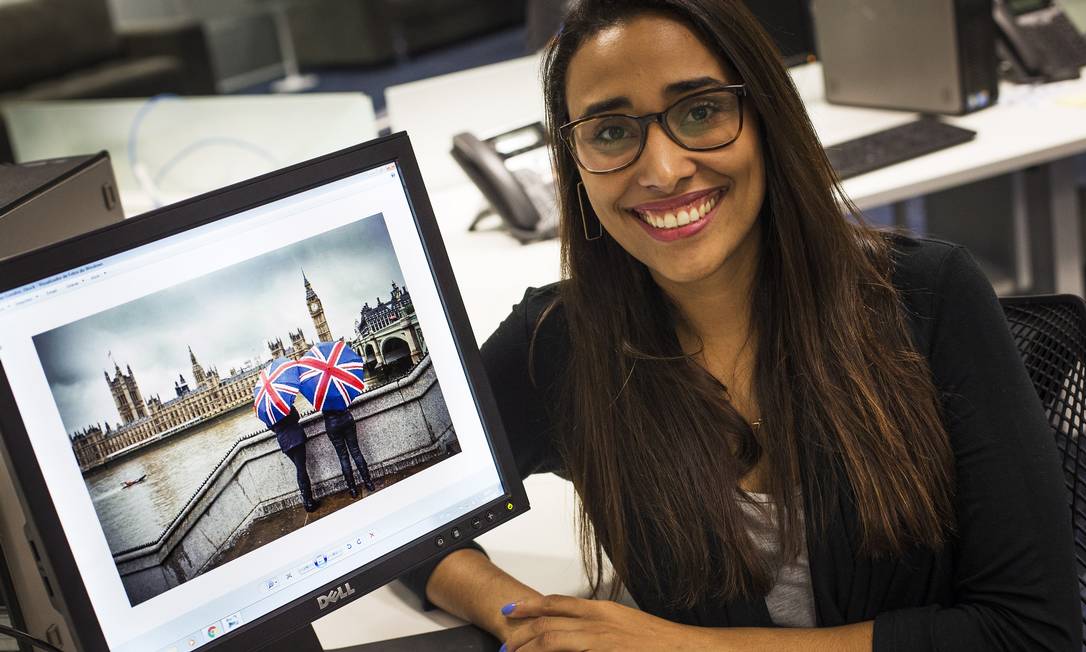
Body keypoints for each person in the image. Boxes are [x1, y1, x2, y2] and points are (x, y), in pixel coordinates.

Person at [401, 1, 1080, 650]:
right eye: (611, 131)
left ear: (765, 117)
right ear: (571, 168)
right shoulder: (562, 344)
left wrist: (681, 646)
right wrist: (528, 619)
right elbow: (409, 515)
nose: (663, 170)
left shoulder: (926, 298)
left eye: (699, 112)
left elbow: (1027, 633)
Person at [270, 405, 320, 513]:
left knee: (299, 469)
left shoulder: (268, 412)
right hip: (296, 438)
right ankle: (309, 502)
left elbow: (271, 427)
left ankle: (307, 501)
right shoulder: (286, 404)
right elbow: (297, 417)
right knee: (301, 469)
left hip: (284, 442)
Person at [323, 407, 376, 497]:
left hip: (332, 425)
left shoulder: (319, 396)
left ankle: (353, 489)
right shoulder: (339, 392)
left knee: (343, 457)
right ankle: (368, 483)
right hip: (346, 419)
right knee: (356, 452)